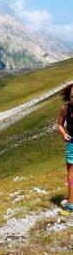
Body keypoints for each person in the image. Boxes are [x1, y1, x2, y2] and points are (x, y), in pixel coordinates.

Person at [58, 83, 73, 212]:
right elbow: (60, 125)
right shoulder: (65, 108)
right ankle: (71, 202)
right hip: (72, 143)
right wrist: (64, 134)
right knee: (71, 175)